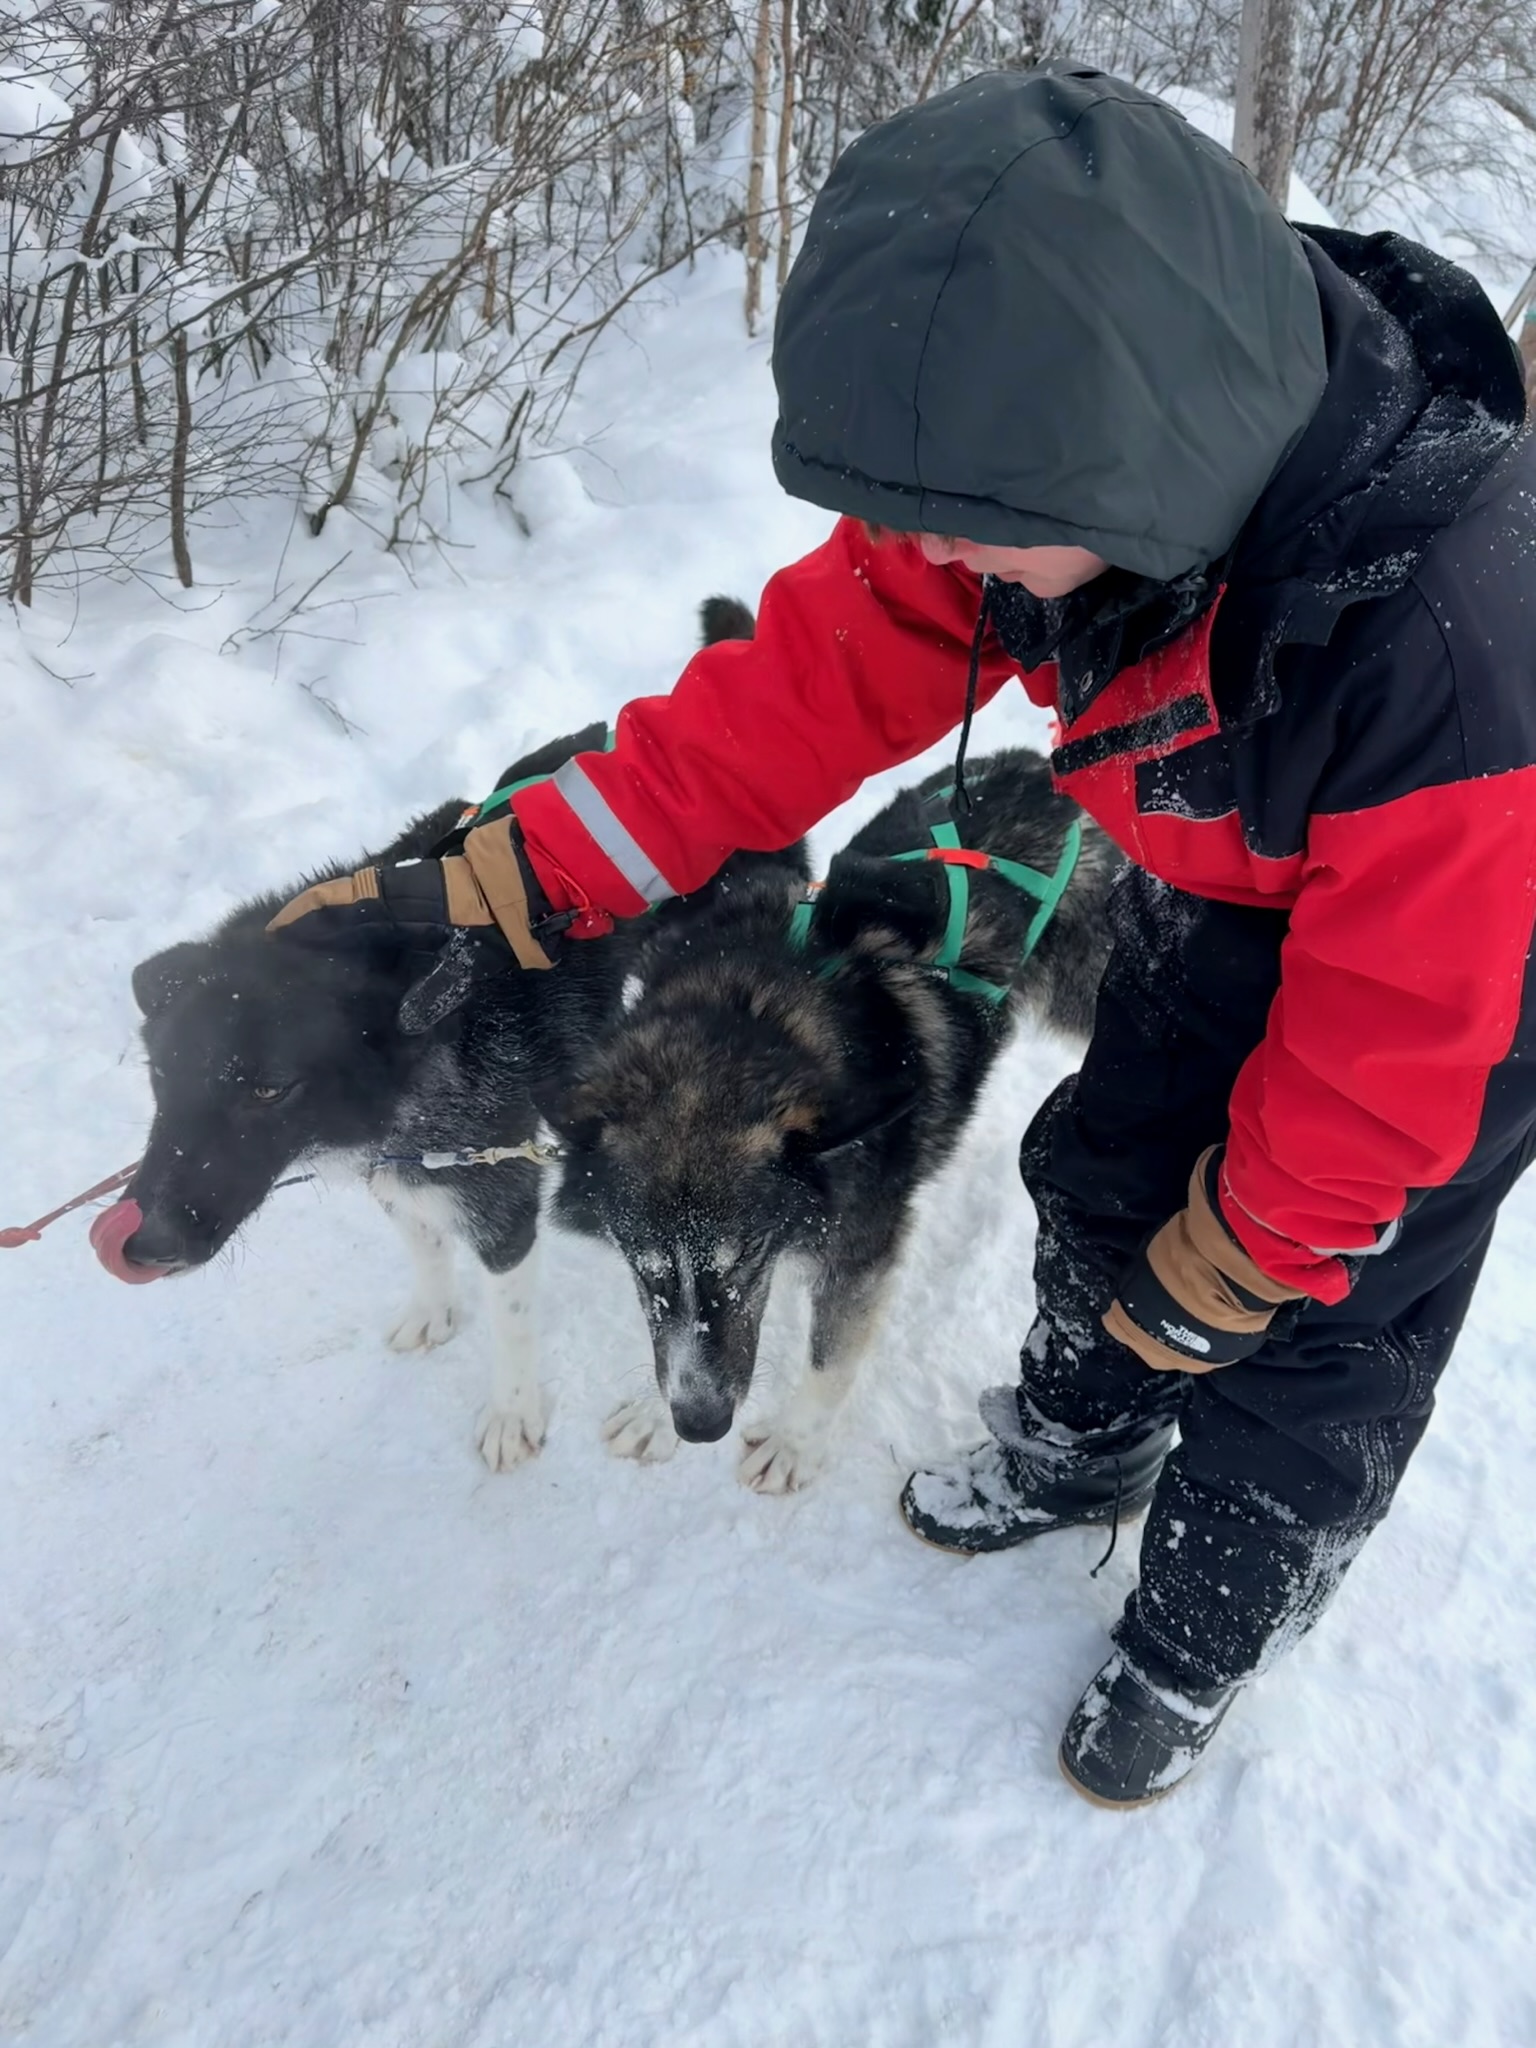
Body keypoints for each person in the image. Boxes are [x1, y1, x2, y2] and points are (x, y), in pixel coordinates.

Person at [279, 65, 1536, 1806]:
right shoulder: (1046, 477)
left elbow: (1395, 1048)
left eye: (960, 521)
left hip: (1457, 974)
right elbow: (781, 701)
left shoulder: (1451, 645)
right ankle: (1089, 1437)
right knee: (1109, 1173)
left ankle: (1206, 1629)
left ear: (1135, 443)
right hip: (1208, 878)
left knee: (1317, 1322)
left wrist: (1241, 1262)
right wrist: (516, 875)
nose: (932, 551)